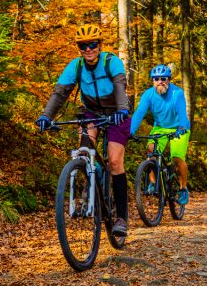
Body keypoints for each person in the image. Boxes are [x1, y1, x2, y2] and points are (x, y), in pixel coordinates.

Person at [35, 24, 132, 236]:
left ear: (100, 45)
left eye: (92, 44)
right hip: (91, 112)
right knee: (84, 152)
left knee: (115, 162)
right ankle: (90, 183)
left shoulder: (111, 62)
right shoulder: (76, 66)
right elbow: (60, 93)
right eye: (83, 45)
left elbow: (120, 87)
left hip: (117, 112)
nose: (88, 49)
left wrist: (122, 110)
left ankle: (122, 218)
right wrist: (46, 116)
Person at [130, 64, 191, 205]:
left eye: (163, 78)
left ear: (169, 80)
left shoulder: (177, 93)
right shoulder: (148, 95)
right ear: (152, 81)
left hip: (179, 128)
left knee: (176, 158)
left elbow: (182, 113)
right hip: (160, 128)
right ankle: (153, 184)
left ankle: (183, 188)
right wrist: (130, 131)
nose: (160, 81)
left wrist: (181, 127)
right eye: (156, 79)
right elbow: (139, 114)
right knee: (150, 151)